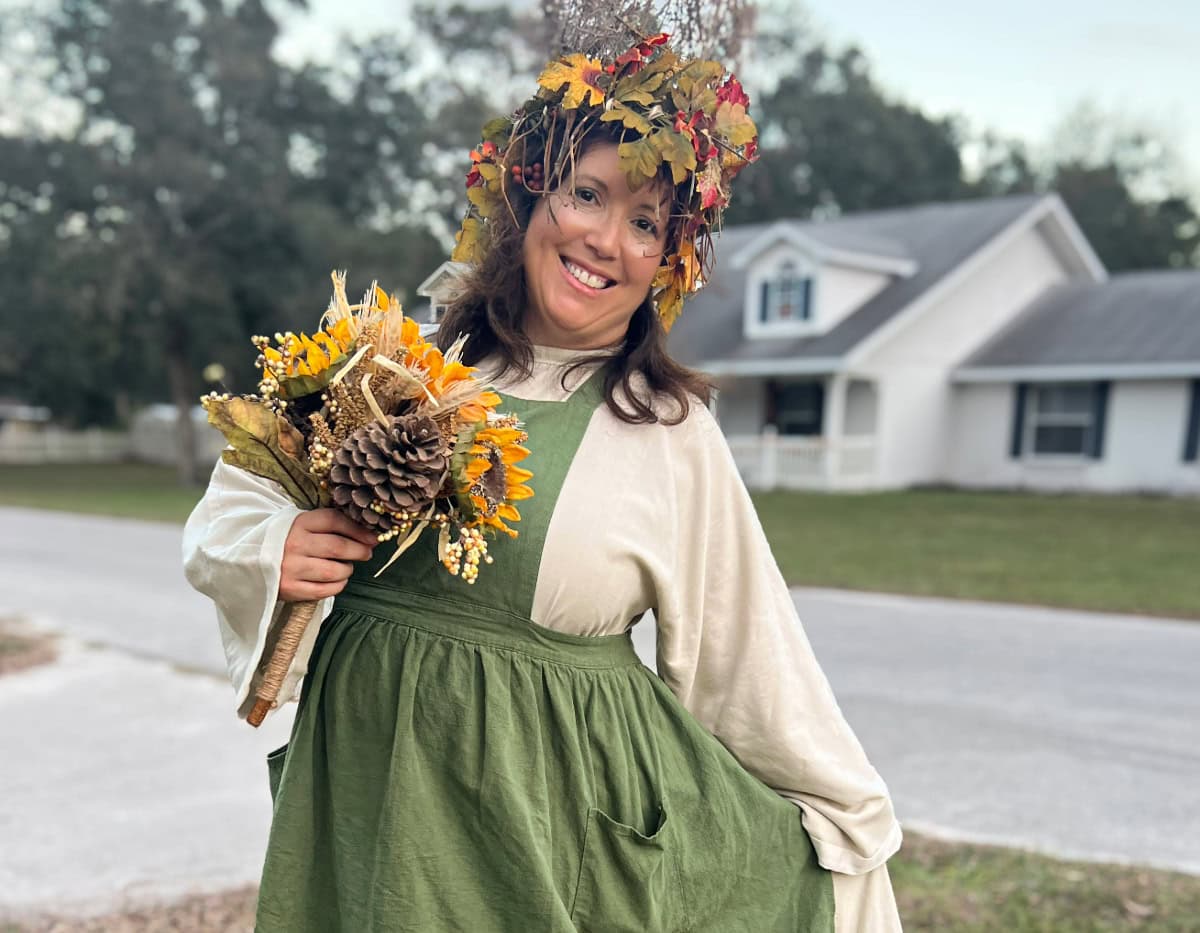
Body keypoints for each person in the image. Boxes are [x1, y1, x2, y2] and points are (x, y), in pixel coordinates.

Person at [183, 36, 903, 932]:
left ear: (667, 263)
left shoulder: (667, 432)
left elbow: (747, 655)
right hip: (363, 783)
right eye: (587, 194)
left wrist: (849, 832)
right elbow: (242, 493)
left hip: (539, 823)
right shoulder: (395, 362)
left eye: (646, 223)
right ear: (529, 198)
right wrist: (276, 545)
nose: (606, 240)